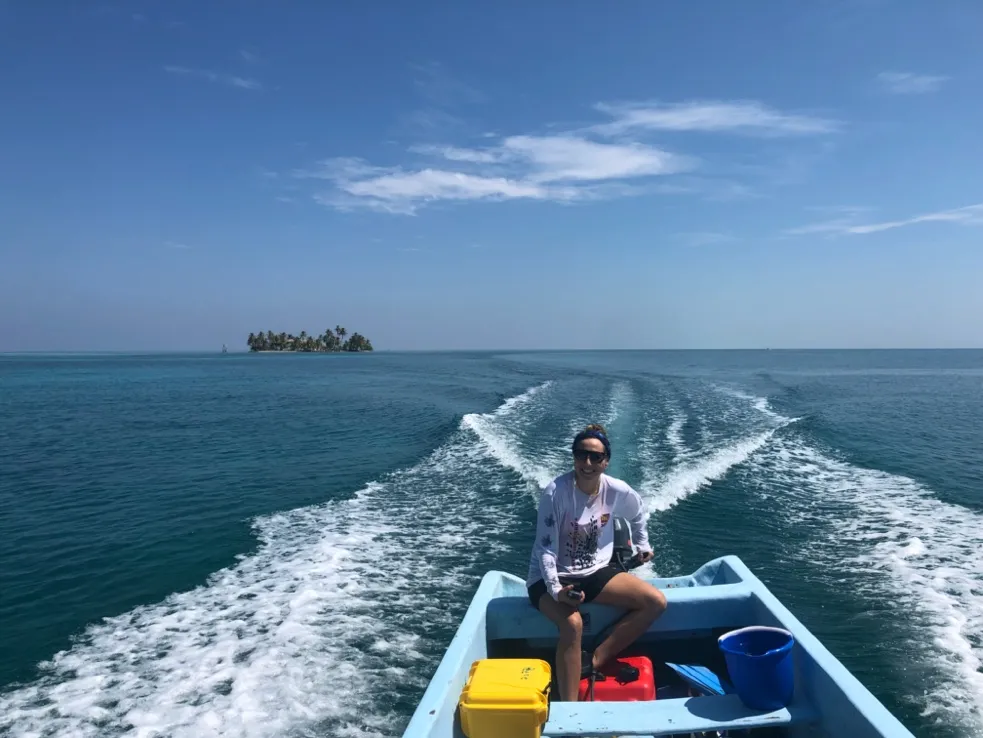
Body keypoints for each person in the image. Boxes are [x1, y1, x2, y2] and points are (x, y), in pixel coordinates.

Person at [525, 423, 667, 702]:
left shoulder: (617, 490)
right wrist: (557, 592)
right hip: (549, 577)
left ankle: (595, 660)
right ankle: (570, 711)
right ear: (574, 458)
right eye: (581, 455)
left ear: (606, 461)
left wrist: (643, 545)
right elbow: (545, 549)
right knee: (572, 625)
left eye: (595, 457)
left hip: (596, 571)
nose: (587, 463)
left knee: (655, 602)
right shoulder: (555, 492)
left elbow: (638, 514)